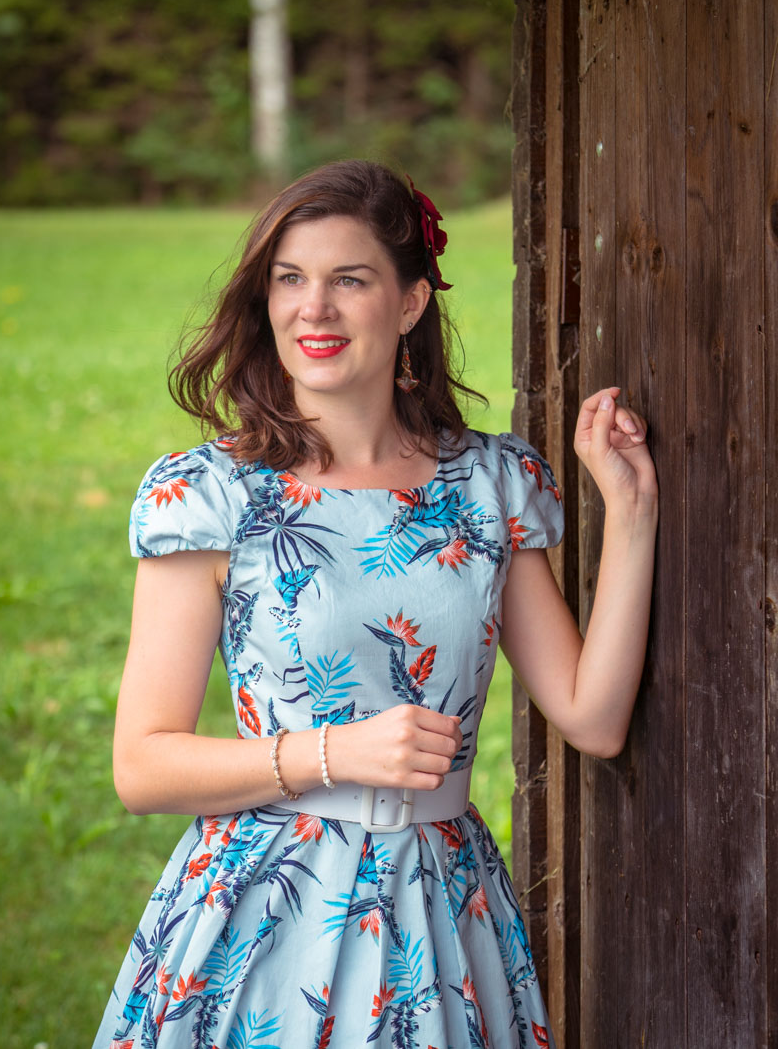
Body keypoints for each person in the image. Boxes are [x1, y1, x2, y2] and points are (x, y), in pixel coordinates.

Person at [93, 159, 657, 1049]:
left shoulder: (487, 485)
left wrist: (632, 512)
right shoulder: (212, 495)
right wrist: (337, 750)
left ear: (409, 303)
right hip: (268, 910)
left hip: (442, 905)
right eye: (290, 279)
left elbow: (594, 716)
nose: (312, 308)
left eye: (348, 279)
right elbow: (143, 767)